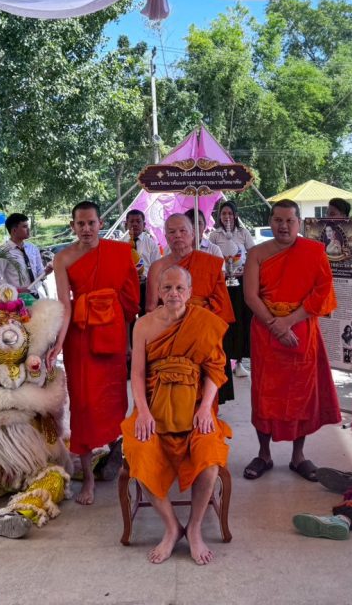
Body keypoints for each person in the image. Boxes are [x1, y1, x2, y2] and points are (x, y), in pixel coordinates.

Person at [121, 266, 231, 565]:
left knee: (209, 456)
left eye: (180, 288)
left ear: (190, 292)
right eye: (167, 288)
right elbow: (137, 374)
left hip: (196, 406)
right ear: (158, 291)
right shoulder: (143, 325)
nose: (173, 294)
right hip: (153, 407)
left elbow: (216, 370)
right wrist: (143, 412)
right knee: (140, 452)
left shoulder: (203, 322)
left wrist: (206, 409)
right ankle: (172, 528)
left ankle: (194, 528)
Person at [242, 200, 340, 482]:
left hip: (302, 329)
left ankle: (298, 456)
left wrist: (288, 322)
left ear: (299, 223)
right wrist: (275, 325)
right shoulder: (257, 253)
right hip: (265, 330)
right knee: (265, 393)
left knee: (301, 393)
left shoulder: (313, 251)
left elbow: (322, 292)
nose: (283, 226)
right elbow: (250, 296)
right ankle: (264, 454)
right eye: (278, 220)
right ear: (270, 222)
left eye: (289, 221)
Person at [51, 200, 140, 505]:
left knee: (114, 401)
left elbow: (129, 303)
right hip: (80, 339)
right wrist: (57, 344)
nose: (86, 229)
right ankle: (88, 477)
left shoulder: (119, 253)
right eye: (81, 224)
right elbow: (64, 305)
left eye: (91, 223)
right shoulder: (62, 258)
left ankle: (124, 462)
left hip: (113, 336)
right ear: (73, 226)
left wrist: (128, 343)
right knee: (84, 406)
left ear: (101, 224)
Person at [147, 214, 236, 401]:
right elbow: (151, 308)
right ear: (165, 236)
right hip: (170, 337)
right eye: (172, 232)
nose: (178, 235)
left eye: (183, 231)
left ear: (193, 234)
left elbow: (221, 305)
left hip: (202, 335)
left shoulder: (209, 263)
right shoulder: (157, 267)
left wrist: (196, 320)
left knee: (203, 393)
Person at [209, 201, 255, 381]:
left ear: (235, 215)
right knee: (223, 320)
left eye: (229, 213)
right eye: (223, 213)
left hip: (240, 282)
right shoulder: (215, 235)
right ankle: (224, 360)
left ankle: (240, 361)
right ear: (219, 216)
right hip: (222, 283)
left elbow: (253, 254)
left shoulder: (243, 233)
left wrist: (245, 269)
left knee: (240, 318)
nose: (227, 217)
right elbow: (210, 256)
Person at [0, 213, 45, 296]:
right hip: (16, 298)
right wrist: (15, 290)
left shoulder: (32, 248)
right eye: (25, 227)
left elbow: (40, 271)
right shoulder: (3, 252)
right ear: (14, 230)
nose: (28, 229)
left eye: (28, 226)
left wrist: (46, 272)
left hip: (35, 295)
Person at [124, 209, 162, 313]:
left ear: (144, 225)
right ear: (126, 224)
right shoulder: (121, 244)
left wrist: (147, 279)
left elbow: (157, 266)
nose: (135, 224)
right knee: (128, 314)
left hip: (146, 286)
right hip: (127, 287)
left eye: (138, 221)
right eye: (131, 221)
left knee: (145, 314)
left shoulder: (151, 244)